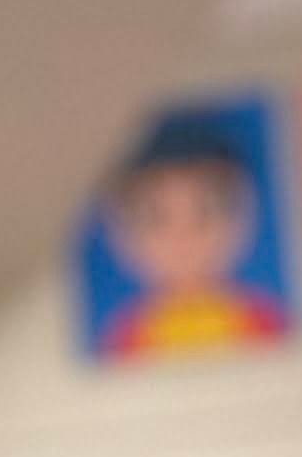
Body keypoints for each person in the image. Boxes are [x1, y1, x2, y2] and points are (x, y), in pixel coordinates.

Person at [95, 112, 290, 360]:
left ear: (241, 219)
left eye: (205, 212)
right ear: (122, 232)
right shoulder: (127, 337)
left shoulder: (263, 322)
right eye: (157, 218)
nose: (183, 237)